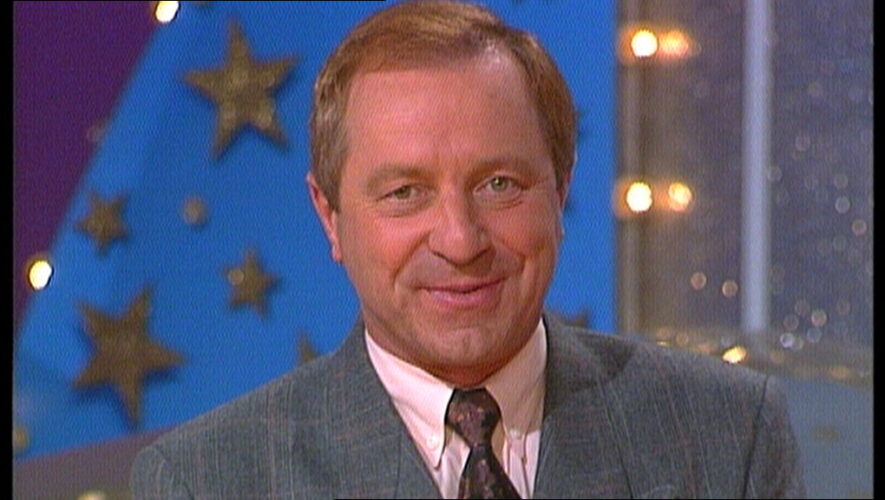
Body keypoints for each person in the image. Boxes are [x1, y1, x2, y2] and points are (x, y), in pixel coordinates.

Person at [130, 1, 805, 498]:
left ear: (560, 190)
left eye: (498, 184)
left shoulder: (726, 436)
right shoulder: (208, 480)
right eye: (405, 193)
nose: (459, 240)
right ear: (329, 217)